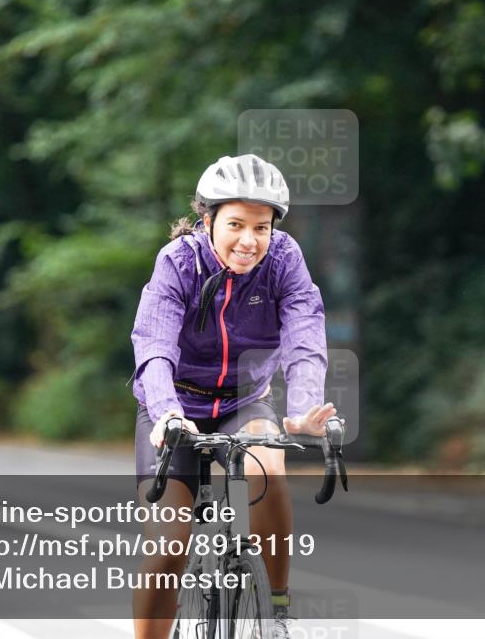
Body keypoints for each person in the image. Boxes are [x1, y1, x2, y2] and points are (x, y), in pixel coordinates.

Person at [131, 153, 337, 639]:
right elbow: (155, 344)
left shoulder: (284, 260)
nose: (249, 240)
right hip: (175, 405)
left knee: (269, 462)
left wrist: (305, 408)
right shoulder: (178, 262)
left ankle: (279, 612)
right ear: (207, 220)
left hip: (245, 401)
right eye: (236, 224)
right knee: (167, 546)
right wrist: (165, 414)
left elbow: (305, 334)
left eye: (261, 227)